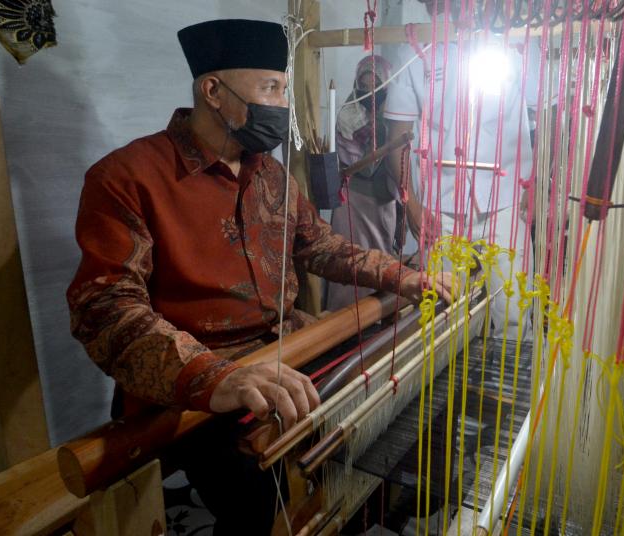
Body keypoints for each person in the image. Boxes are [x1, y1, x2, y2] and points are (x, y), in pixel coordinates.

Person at [66, 19, 451, 535]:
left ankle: (362, 508)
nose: (281, 103)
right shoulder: (127, 178)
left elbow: (320, 246)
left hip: (287, 349)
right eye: (270, 88)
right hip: (199, 385)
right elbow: (104, 310)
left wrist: (402, 277)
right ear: (213, 91)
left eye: (284, 89)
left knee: (398, 407)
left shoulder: (270, 175)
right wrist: (216, 377)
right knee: (260, 496)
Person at [385, 0, 538, 342]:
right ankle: (447, 391)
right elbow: (397, 140)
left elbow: (550, 114)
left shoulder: (519, 44)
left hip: (507, 202)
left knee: (512, 312)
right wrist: (411, 205)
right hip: (439, 210)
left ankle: (513, 388)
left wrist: (538, 184)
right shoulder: (416, 49)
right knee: (440, 312)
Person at [326, 55, 402, 311]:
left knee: (381, 258)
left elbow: (402, 161)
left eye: (377, 84)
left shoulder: (396, 114)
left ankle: (378, 318)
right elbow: (364, 168)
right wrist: (377, 131)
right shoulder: (349, 115)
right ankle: (345, 323)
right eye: (364, 85)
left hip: (384, 201)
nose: (370, 91)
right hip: (353, 201)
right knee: (351, 260)